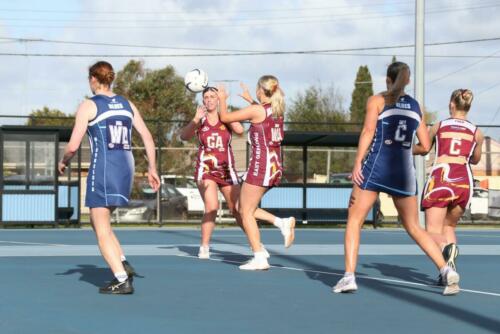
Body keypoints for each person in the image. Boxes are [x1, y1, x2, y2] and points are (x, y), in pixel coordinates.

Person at [333, 62, 460, 295]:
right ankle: (445, 270)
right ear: (408, 81)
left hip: (378, 166)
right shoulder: (415, 106)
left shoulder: (377, 100)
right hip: (404, 173)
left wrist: (358, 161)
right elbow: (425, 145)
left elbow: (368, 132)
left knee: (354, 219)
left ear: (387, 80)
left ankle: (349, 276)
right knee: (413, 226)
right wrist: (403, 149)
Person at [58, 61, 160, 294]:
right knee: (99, 220)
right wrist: (152, 168)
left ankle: (121, 279)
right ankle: (121, 260)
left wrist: (63, 161)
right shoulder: (126, 104)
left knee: (101, 227)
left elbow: (73, 146)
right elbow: (147, 137)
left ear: (94, 79)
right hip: (126, 168)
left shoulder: (89, 105)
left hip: (105, 168)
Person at [180, 86, 295, 260]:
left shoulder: (225, 117)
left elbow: (241, 130)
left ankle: (256, 244)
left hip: (227, 170)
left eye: (213, 96)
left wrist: (226, 113)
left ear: (218, 99)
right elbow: (184, 136)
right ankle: (204, 246)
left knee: (238, 209)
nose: (209, 99)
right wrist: (195, 119)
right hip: (206, 169)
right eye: (206, 97)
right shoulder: (200, 120)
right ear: (203, 100)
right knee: (212, 207)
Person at [215, 76, 295, 270]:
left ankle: (259, 257)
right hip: (274, 166)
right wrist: (251, 100)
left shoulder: (257, 110)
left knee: (245, 212)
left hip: (261, 165)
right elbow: (260, 115)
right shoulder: (276, 109)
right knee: (243, 206)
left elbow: (225, 118)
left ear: (261, 90)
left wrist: (223, 99)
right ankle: (281, 223)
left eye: (257, 89)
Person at [416, 89, 483, 283]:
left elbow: (424, 147)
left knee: (432, 232)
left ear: (452, 104)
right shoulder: (476, 132)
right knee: (449, 225)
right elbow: (476, 159)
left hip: (441, 177)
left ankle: (446, 253)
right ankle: (448, 266)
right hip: (463, 180)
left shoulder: (440, 125)